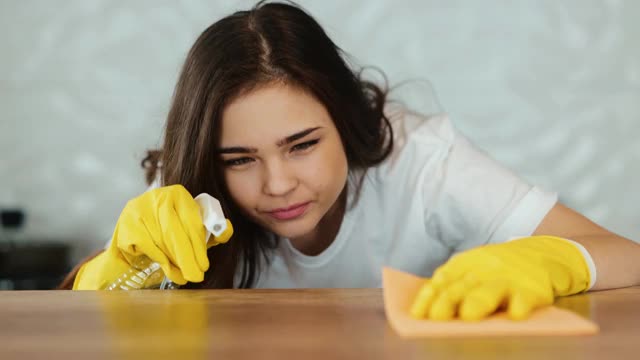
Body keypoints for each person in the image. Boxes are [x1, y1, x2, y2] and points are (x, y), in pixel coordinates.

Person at [72, 1, 640, 321]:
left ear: (345, 118)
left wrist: (552, 261)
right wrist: (117, 270)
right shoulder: (191, 195)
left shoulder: (424, 163)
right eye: (241, 159)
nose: (277, 185)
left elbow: (627, 257)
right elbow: (78, 320)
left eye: (302, 144)